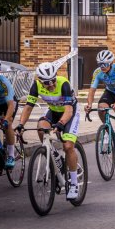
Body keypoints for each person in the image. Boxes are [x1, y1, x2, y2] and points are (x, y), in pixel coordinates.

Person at [16, 62, 80, 199]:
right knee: (41, 128)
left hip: (70, 113)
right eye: (46, 82)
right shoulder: (36, 86)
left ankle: (74, 183)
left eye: (52, 80)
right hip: (53, 111)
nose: (51, 84)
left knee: (68, 146)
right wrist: (21, 125)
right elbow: (28, 107)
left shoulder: (64, 84)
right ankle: (54, 154)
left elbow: (69, 110)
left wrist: (61, 124)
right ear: (39, 81)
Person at [85, 50, 115, 169]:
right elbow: (92, 90)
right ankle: (107, 130)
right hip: (110, 92)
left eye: (105, 64)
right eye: (100, 64)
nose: (102, 67)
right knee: (101, 108)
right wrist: (89, 104)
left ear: (111, 63)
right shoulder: (97, 72)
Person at [0, 58, 17, 168]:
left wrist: (6, 119)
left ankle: (11, 155)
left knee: (8, 124)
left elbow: (11, 105)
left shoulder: (3, 83)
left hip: (7, 104)